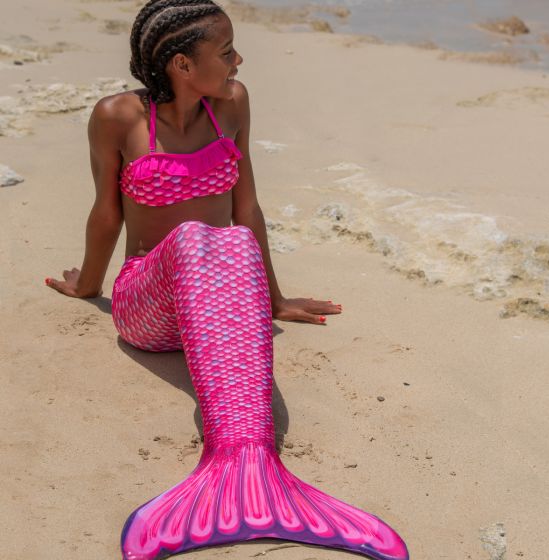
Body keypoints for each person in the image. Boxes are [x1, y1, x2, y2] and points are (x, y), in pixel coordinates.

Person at [46, 1, 409, 559]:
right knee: (195, 237)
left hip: (218, 305)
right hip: (149, 305)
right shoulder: (117, 116)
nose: (239, 60)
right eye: (225, 51)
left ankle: (249, 459)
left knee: (231, 238)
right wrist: (88, 286)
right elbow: (106, 214)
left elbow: (248, 208)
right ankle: (232, 458)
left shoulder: (232, 105)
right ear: (182, 65)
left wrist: (273, 298)